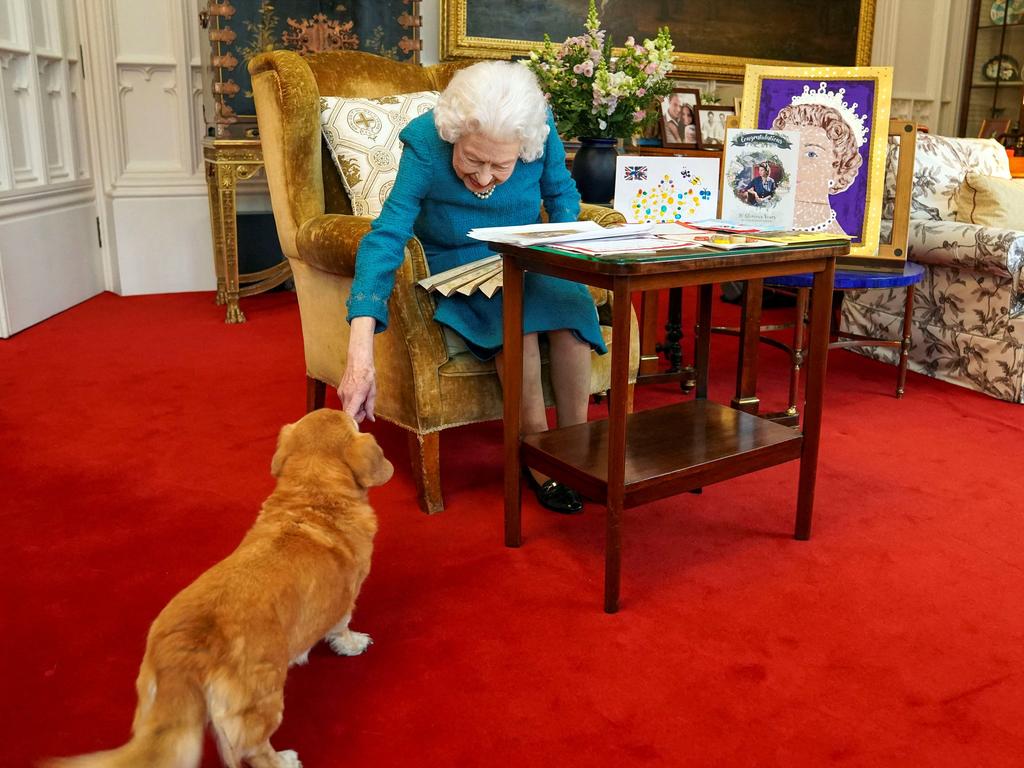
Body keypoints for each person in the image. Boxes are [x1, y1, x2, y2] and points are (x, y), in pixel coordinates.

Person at [340, 60, 606, 514]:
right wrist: (360, 346)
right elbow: (386, 235)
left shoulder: (538, 129)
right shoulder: (426, 141)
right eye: (472, 160)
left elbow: (562, 198)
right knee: (516, 327)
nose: (484, 178)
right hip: (457, 260)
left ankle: (573, 451)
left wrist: (566, 257)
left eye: (500, 166)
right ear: (453, 134)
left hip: (527, 253)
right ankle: (537, 457)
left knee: (571, 320)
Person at [772, 101, 863, 234]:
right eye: (786, 150)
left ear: (837, 168)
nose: (794, 164)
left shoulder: (835, 239)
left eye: (811, 154)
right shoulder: (757, 227)